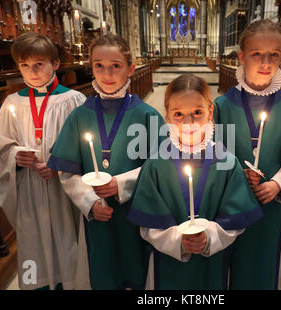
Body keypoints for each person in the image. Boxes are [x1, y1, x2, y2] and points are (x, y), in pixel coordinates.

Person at [47, 34, 165, 289]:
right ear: (91, 67)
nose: (107, 73)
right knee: (103, 271)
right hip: (99, 216)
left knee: (138, 270)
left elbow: (160, 167)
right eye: (99, 65)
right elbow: (67, 173)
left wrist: (121, 184)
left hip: (137, 211)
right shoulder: (79, 116)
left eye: (116, 65)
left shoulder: (147, 114)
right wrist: (89, 203)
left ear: (130, 68)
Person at [214, 19, 281, 289]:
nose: (265, 62)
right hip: (227, 204)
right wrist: (237, 176)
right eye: (257, 54)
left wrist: (277, 184)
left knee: (260, 266)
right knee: (226, 265)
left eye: (274, 54)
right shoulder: (220, 106)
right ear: (241, 57)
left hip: (268, 205)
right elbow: (209, 154)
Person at [128, 74, 263, 289]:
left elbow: (236, 221)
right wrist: (177, 241)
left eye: (197, 113)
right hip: (168, 262)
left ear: (211, 111)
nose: (189, 123)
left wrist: (209, 237)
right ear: (168, 117)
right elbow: (148, 225)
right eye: (179, 114)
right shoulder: (155, 164)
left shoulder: (227, 162)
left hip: (213, 262)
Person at [0, 32, 86, 290]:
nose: (31, 71)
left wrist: (60, 164)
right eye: (24, 65)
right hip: (30, 189)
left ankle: (72, 284)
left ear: (55, 64)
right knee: (34, 243)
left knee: (69, 239)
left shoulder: (74, 100)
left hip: (64, 189)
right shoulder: (12, 103)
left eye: (38, 64)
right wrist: (14, 157)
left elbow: (87, 147)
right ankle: (37, 285)